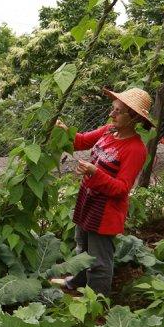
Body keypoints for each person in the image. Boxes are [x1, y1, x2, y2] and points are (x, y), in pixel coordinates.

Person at [52, 87, 153, 296]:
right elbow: (79, 141)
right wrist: (63, 130)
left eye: (118, 111)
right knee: (83, 249)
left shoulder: (135, 149)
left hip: (105, 212)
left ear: (133, 117)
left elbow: (122, 188)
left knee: (98, 261)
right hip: (88, 202)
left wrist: (95, 173)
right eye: (112, 109)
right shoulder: (108, 131)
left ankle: (96, 304)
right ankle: (77, 283)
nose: (111, 114)